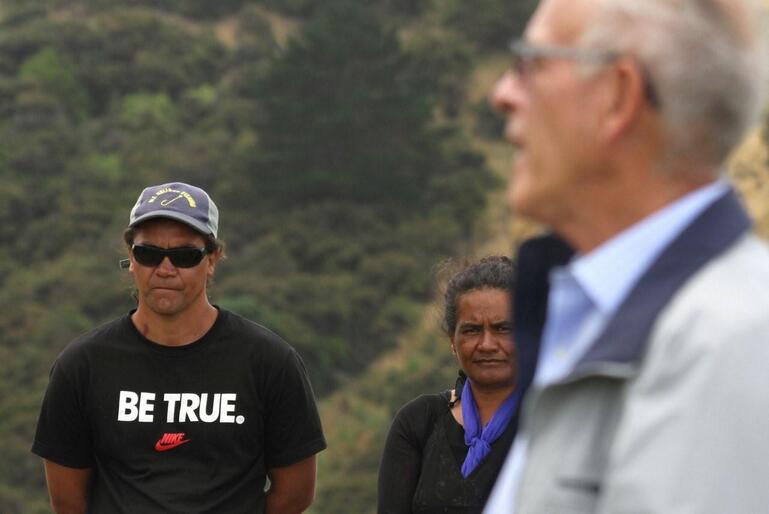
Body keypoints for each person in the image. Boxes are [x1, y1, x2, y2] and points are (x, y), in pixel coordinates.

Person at [483, 0, 769, 512]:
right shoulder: (588, 318)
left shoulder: (736, 342)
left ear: (618, 96)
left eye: (532, 64)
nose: (502, 94)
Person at [32, 182, 326, 514]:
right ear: (131, 258)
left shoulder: (270, 362)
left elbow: (296, 493)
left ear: (212, 259)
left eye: (185, 256)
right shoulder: (81, 366)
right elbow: (69, 502)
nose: (165, 269)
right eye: (149, 253)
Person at [378, 256, 525, 514]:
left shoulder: (549, 424)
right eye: (471, 330)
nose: (487, 344)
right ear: (452, 340)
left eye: (503, 329)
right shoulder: (419, 423)